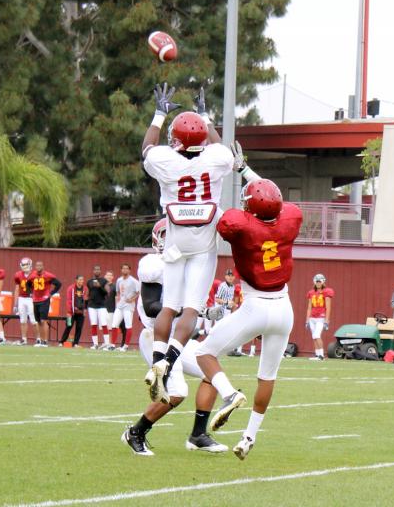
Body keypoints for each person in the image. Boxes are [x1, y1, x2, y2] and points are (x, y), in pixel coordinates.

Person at [196, 144, 303, 460]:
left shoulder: (241, 225)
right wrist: (245, 170)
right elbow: (272, 201)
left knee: (205, 353)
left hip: (256, 305)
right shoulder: (290, 218)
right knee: (267, 376)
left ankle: (229, 395)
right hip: (284, 308)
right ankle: (248, 438)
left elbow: (230, 219)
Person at [141, 83, 233, 403]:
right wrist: (206, 118)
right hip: (204, 241)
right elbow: (224, 150)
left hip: (176, 240)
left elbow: (147, 148)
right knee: (191, 309)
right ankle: (166, 365)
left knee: (169, 305)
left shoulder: (166, 159)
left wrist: (159, 115)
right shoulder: (215, 157)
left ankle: (156, 361)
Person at [122, 218, 227, 456]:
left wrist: (202, 313)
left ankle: (198, 435)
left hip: (179, 341)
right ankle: (136, 432)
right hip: (155, 338)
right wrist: (194, 310)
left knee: (211, 372)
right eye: (166, 235)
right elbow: (151, 307)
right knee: (178, 391)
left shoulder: (189, 264)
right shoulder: (153, 264)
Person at [28, 261, 61, 347]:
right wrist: (31, 293)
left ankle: (45, 341)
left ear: (43, 266)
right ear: (35, 266)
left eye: (40, 265)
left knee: (43, 320)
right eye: (37, 265)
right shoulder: (32, 275)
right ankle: (40, 340)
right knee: (38, 321)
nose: (38, 267)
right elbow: (28, 285)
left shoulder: (48, 275)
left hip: (44, 299)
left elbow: (58, 284)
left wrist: (51, 293)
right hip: (35, 300)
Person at [109, 264, 140, 352]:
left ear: (129, 270)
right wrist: (118, 301)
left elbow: (139, 292)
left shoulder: (133, 281)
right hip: (120, 306)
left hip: (128, 306)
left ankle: (126, 346)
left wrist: (132, 299)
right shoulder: (119, 280)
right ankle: (112, 345)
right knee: (114, 324)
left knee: (128, 325)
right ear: (121, 270)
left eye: (127, 268)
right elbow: (118, 292)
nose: (125, 270)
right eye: (123, 268)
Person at [306, 273, 334, 361]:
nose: (318, 283)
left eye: (319, 281)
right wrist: (307, 320)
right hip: (312, 318)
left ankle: (321, 355)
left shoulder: (326, 292)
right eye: (317, 281)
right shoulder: (311, 293)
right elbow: (309, 308)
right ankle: (317, 355)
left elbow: (328, 307)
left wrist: (326, 321)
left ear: (323, 282)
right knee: (314, 337)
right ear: (314, 282)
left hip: (320, 317)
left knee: (317, 335)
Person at [13, 257, 40, 345]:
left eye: (27, 264)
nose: (25, 266)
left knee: (34, 320)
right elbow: (17, 289)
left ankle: (38, 339)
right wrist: (15, 304)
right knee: (22, 320)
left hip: (31, 299)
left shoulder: (35, 274)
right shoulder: (18, 275)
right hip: (21, 298)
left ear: (30, 265)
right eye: (23, 265)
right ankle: (24, 339)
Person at [59, 275, 87, 347]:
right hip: (71, 312)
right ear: (76, 280)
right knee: (68, 326)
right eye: (80, 280)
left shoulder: (85, 289)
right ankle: (61, 342)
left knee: (79, 328)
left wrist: (84, 310)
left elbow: (85, 300)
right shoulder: (71, 288)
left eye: (82, 280)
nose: (81, 281)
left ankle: (75, 343)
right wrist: (69, 311)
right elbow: (69, 300)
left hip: (81, 313)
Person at [86, 265, 109, 349]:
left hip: (101, 305)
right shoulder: (89, 282)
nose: (97, 271)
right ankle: (95, 344)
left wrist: (100, 287)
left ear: (100, 271)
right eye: (95, 269)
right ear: (93, 271)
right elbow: (88, 293)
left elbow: (107, 292)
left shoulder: (104, 281)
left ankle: (106, 343)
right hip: (92, 306)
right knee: (93, 324)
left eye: (98, 269)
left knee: (104, 324)